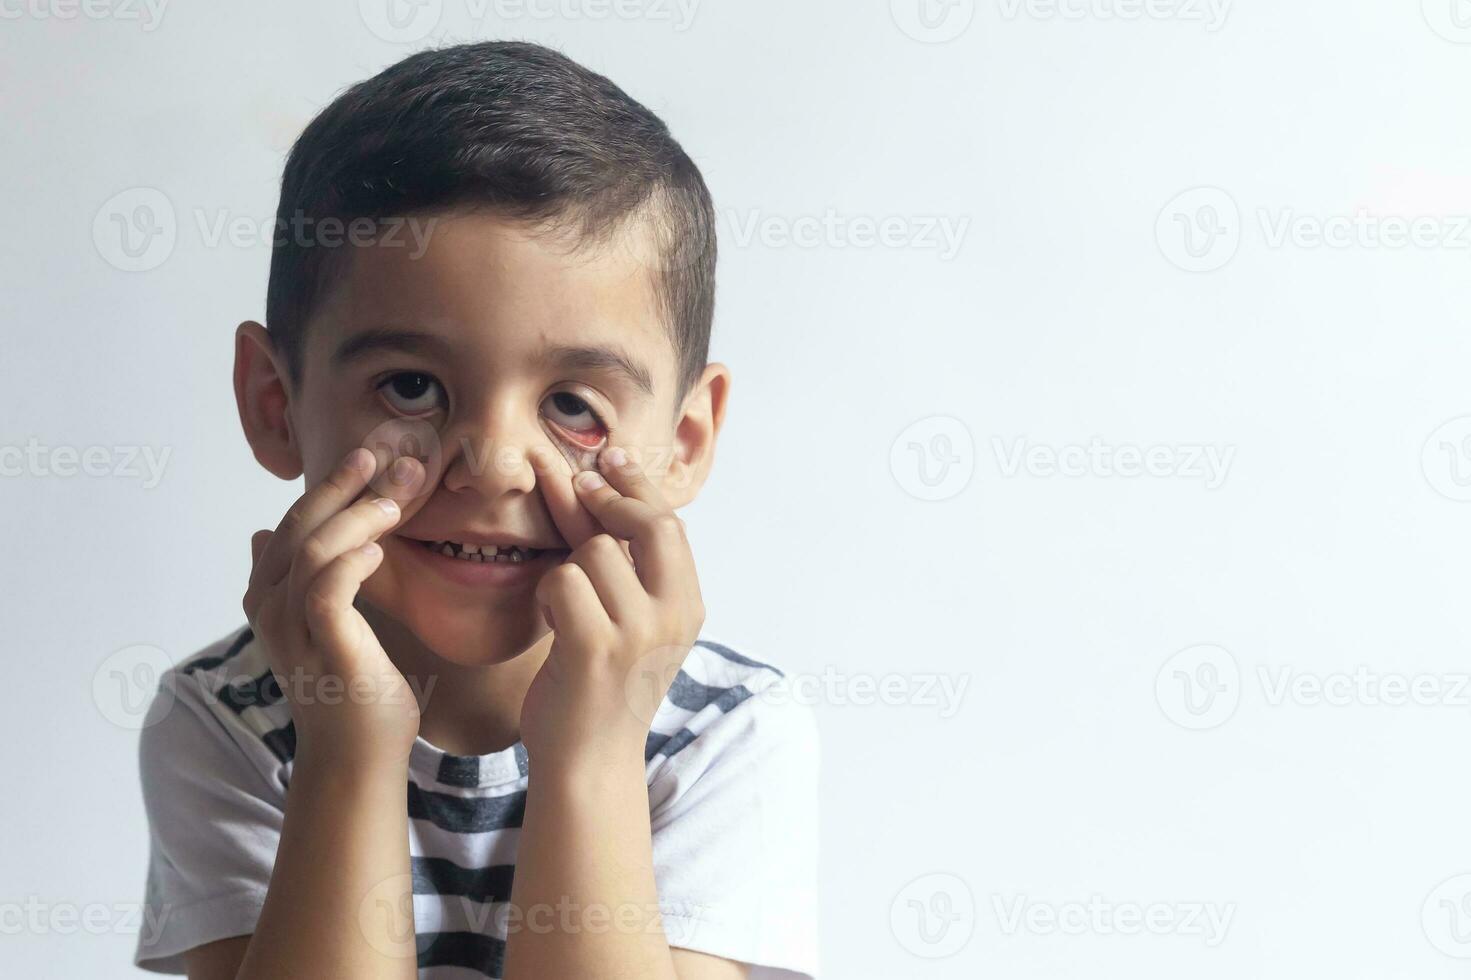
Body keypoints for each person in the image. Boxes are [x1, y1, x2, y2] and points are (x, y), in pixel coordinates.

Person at [134, 40, 820, 980]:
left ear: (686, 441)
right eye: (410, 386)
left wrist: (593, 754)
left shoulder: (728, 734)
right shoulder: (226, 720)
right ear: (274, 403)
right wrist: (350, 750)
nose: (494, 465)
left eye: (573, 406)